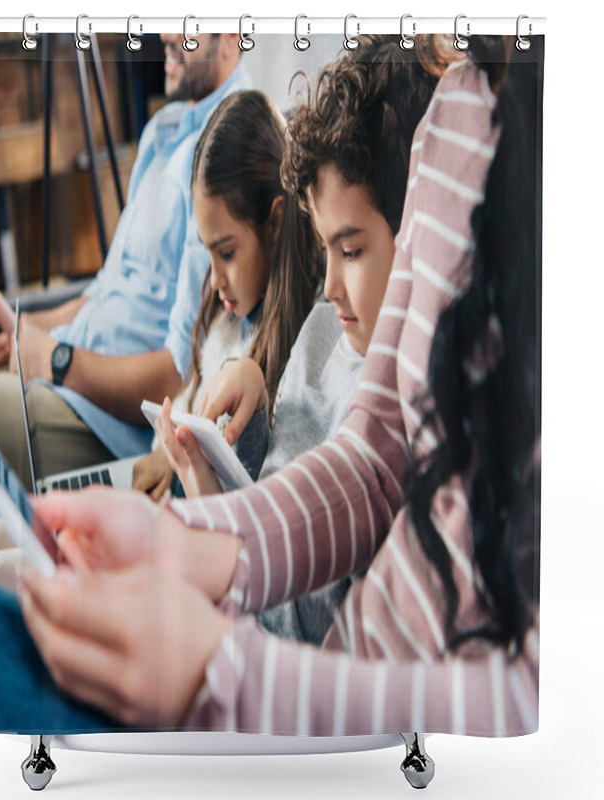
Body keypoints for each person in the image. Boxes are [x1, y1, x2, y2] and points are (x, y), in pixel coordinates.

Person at [0, 39, 541, 737]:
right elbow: (378, 448)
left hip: (337, 721)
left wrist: (220, 676)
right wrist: (180, 544)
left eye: (350, 250)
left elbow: (539, 707)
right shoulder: (459, 105)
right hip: (293, 668)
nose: (330, 289)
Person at [0, 88, 324, 590]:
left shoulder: (290, 355)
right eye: (207, 254)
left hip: (197, 549)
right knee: (8, 532)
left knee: (10, 567)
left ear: (277, 221)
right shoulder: (223, 317)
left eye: (226, 252)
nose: (215, 280)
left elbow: (244, 523)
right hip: (168, 509)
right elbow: (189, 406)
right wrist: (164, 450)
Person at [156, 37, 438, 644]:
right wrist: (249, 411)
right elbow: (271, 484)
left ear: (419, 238)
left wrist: (204, 499)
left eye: (353, 250)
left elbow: (285, 631)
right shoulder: (324, 330)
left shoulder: (395, 418)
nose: (330, 286)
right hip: (222, 582)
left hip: (234, 637)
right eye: (326, 247)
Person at [0, 33, 247, 500]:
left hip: (91, 419)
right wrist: (18, 325)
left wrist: (53, 360)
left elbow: (180, 374)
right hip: (57, 370)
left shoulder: (230, 152)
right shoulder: (163, 130)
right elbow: (102, 292)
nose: (163, 32)